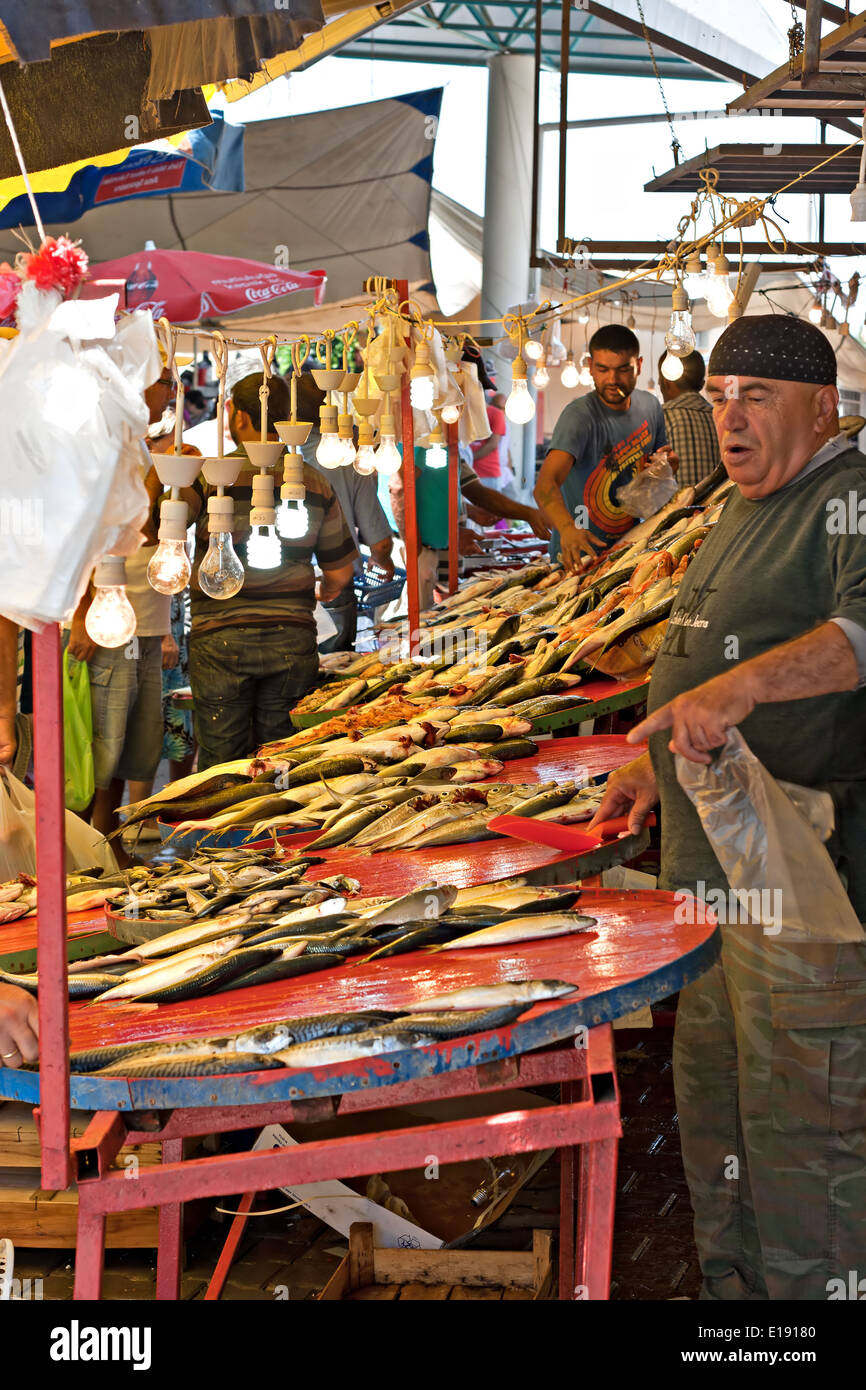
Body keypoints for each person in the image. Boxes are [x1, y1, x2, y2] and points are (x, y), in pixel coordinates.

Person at [588, 314, 866, 1301]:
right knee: (715, 1110)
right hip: (705, 886)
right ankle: (733, 1301)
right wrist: (649, 759)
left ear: (820, 407)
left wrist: (742, 690)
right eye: (717, 397)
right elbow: (704, 650)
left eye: (755, 397)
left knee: (802, 1129)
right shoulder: (742, 504)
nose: (730, 417)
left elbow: (856, 633)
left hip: (797, 887)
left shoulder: (847, 499)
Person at [177, 370, 356, 769]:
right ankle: (276, 831)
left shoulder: (209, 478)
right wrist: (324, 589)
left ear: (237, 416)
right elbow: (341, 574)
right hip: (290, 639)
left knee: (224, 766)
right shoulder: (314, 483)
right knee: (281, 764)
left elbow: (158, 532)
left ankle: (223, 832)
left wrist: (166, 470)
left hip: (219, 641)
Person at [67, 360, 175, 865]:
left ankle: (108, 852)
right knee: (101, 750)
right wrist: (84, 611)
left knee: (138, 745)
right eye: (164, 381)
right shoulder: (104, 449)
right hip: (108, 622)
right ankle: (88, 853)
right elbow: (81, 536)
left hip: (147, 620)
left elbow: (152, 535)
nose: (171, 392)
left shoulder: (145, 450)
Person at [534, 323, 669, 572]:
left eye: (623, 370)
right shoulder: (578, 417)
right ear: (591, 368)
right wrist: (566, 529)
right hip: (577, 559)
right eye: (602, 369)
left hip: (630, 552)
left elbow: (659, 464)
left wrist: (667, 466)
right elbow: (544, 487)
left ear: (639, 365)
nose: (612, 380)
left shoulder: (651, 406)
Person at [297, 374, 395, 652]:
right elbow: (380, 542)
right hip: (334, 586)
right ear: (327, 403)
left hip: (278, 591)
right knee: (333, 679)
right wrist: (383, 559)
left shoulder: (274, 453)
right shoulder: (350, 453)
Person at [658, 349, 721, 488]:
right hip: (717, 508)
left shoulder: (660, 417)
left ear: (666, 382)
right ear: (701, 383)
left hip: (677, 508)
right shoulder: (720, 417)